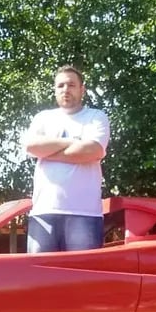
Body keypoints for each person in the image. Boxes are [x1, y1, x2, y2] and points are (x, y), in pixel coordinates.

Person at [23, 65, 110, 253]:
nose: (65, 89)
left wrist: (48, 152)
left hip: (85, 215)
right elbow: (31, 146)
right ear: (55, 90)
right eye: (60, 85)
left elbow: (92, 150)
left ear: (82, 89)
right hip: (43, 214)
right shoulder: (43, 118)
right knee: (40, 279)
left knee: (82, 278)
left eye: (71, 85)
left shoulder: (96, 117)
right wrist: (73, 141)